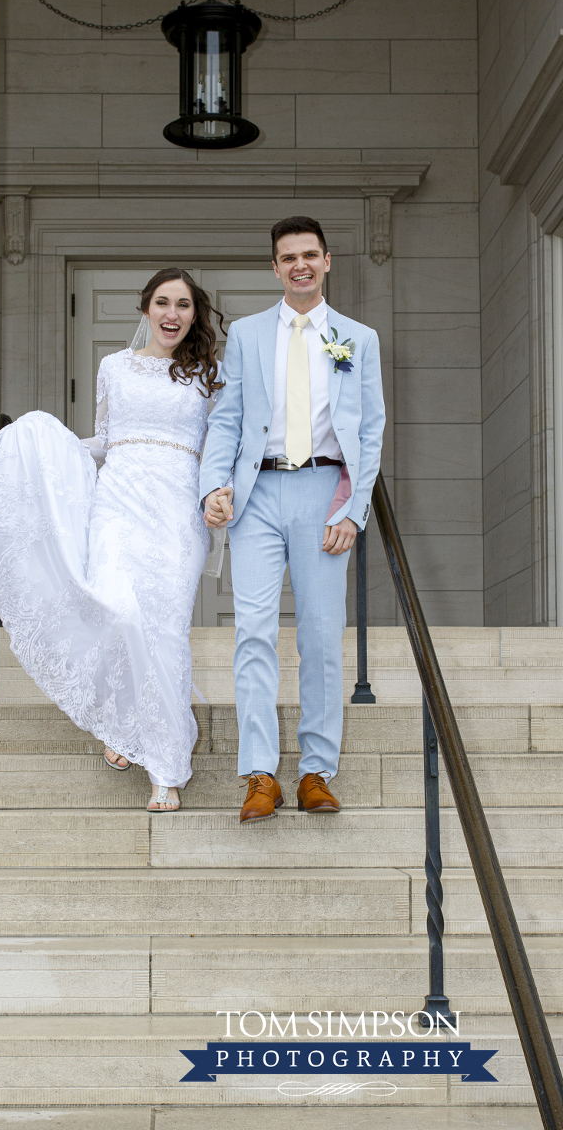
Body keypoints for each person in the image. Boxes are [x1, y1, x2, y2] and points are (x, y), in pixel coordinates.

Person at [0, 268, 223, 812]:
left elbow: (218, 445)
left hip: (177, 509)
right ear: (146, 308)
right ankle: (120, 718)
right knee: (116, 611)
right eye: (162, 302)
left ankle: (165, 769)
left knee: (163, 628)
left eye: (183, 304)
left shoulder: (209, 374)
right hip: (119, 503)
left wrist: (217, 493)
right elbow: (107, 439)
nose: (172, 314)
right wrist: (39, 445)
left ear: (195, 314)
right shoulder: (114, 367)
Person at [200, 215, 385, 823]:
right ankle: (259, 774)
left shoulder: (358, 338)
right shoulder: (249, 335)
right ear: (274, 267)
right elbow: (227, 419)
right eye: (288, 257)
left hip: (325, 492)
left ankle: (315, 772)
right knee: (252, 632)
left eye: (310, 255)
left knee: (321, 638)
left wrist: (353, 511)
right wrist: (215, 485)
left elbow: (371, 428)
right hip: (258, 494)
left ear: (327, 261)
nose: (299, 265)